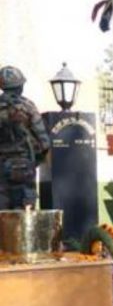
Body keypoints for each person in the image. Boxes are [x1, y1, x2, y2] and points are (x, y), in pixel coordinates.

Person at [0, 65, 50, 209]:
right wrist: (34, 162)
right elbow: (44, 143)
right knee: (24, 214)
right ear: (20, 85)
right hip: (24, 167)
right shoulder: (28, 106)